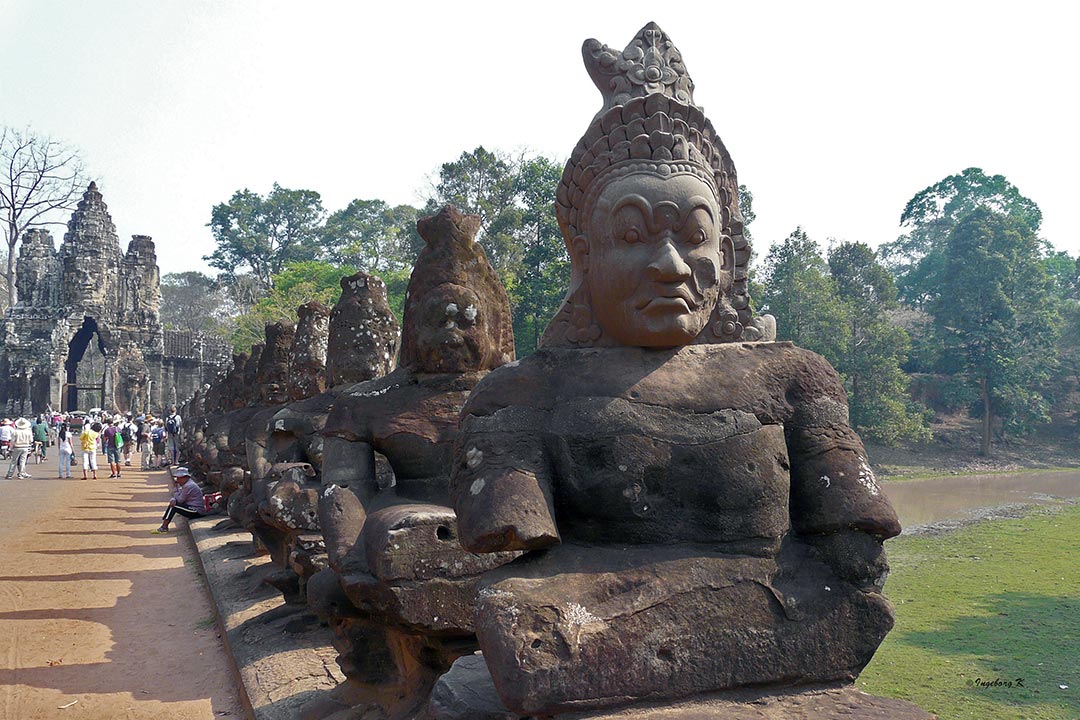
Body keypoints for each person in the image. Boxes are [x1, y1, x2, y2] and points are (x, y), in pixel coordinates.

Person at [151, 466, 204, 534]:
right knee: (173, 504)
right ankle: (164, 526)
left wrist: (175, 489)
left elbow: (180, 500)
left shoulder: (189, 486)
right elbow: (178, 496)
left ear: (186, 477)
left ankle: (164, 527)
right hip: (190, 507)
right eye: (177, 477)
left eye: (180, 478)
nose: (177, 480)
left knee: (173, 506)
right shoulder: (186, 484)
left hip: (196, 511)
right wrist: (174, 498)